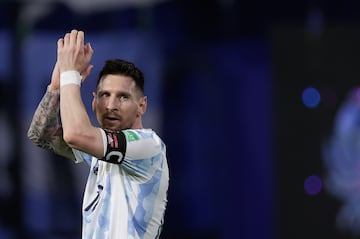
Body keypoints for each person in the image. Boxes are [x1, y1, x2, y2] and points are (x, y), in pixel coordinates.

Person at [27, 29, 169, 239]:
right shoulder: (102, 151)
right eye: (105, 95)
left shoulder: (148, 146)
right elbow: (40, 135)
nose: (111, 105)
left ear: (141, 106)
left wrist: (70, 75)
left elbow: (76, 134)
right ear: (93, 102)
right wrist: (56, 87)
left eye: (123, 97)